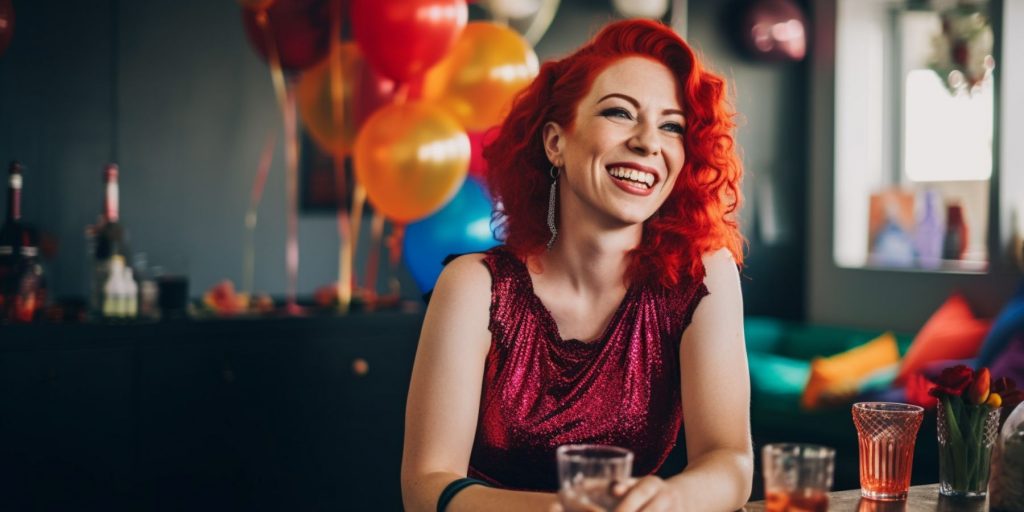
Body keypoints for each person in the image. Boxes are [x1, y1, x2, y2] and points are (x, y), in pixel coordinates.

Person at [401, 18, 752, 512]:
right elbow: (425, 487)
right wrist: (555, 511)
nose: (649, 142)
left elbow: (731, 461)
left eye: (671, 125)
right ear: (555, 143)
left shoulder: (701, 275)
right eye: (620, 113)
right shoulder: (474, 286)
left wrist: (667, 499)